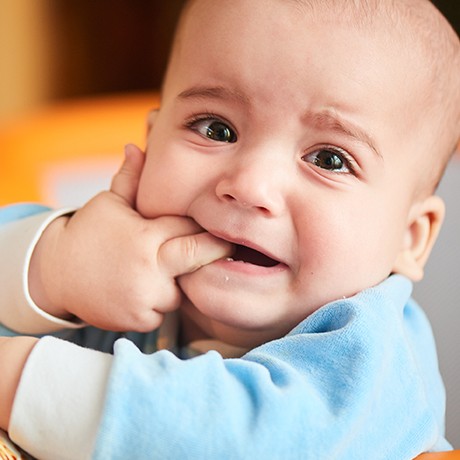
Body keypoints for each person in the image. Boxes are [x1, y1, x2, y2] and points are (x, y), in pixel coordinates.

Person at [0, 0, 459, 458]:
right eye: (216, 129)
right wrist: (55, 266)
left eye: (329, 160)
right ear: (150, 145)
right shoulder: (120, 265)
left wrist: (15, 380)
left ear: (410, 237)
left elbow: (247, 440)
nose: (249, 186)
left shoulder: (373, 360)